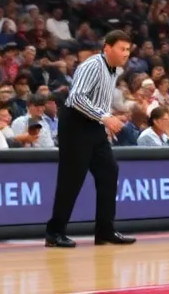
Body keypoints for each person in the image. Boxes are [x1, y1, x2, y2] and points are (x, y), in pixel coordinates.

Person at [45, 31, 135, 248]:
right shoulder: (92, 65)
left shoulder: (114, 70)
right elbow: (76, 97)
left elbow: (97, 100)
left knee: (109, 171)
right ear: (107, 48)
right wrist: (105, 117)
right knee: (71, 179)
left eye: (128, 49)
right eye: (122, 48)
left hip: (94, 125)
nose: (126, 53)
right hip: (76, 125)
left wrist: (107, 120)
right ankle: (55, 233)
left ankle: (105, 230)